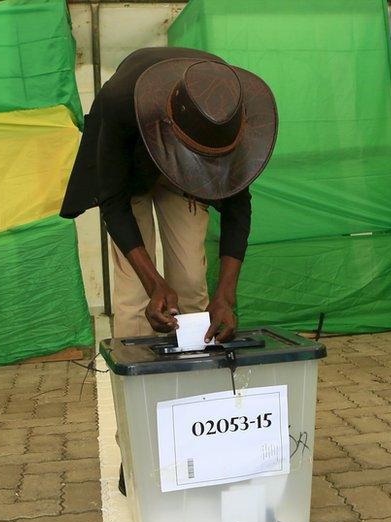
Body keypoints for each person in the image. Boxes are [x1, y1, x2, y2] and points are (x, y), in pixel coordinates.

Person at [60, 47, 278, 341]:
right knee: (135, 292)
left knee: (190, 281)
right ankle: (135, 374)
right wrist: (154, 284)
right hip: (131, 164)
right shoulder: (122, 101)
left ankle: (195, 365)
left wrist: (226, 296)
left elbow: (238, 207)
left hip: (186, 164)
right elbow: (114, 202)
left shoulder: (227, 113)